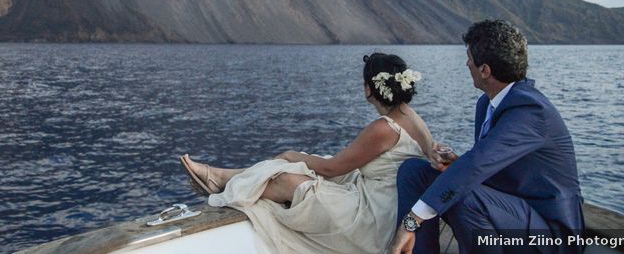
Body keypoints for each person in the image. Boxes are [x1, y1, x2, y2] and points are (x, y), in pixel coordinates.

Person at [181, 53, 434, 253]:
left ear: (369, 89)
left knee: (288, 178)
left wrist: (290, 155)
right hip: (385, 201)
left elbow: (332, 169)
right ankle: (224, 177)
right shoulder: (409, 115)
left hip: (374, 219)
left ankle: (223, 180)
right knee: (305, 161)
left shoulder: (384, 128)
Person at [390, 20, 584, 254]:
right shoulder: (488, 103)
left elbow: (477, 165)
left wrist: (411, 221)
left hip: (550, 235)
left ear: (485, 70)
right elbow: (487, 163)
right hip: (510, 211)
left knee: (464, 194)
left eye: (470, 57)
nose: (467, 63)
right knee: (414, 171)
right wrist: (457, 161)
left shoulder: (531, 110)